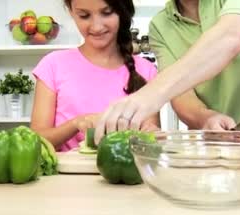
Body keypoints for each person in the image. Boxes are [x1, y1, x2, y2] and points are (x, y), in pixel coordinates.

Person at [94, 0, 240, 143]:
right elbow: (182, 96)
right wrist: (204, 118)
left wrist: (150, 94)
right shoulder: (161, 25)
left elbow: (228, 38)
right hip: (220, 148)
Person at [30, 0, 158, 151]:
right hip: (66, 174)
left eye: (107, 13)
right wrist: (76, 123)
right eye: (84, 16)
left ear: (122, 11)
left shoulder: (146, 70)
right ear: (71, 12)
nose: (96, 27)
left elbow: (151, 137)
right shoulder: (53, 65)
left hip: (124, 172)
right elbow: (36, 141)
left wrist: (151, 134)